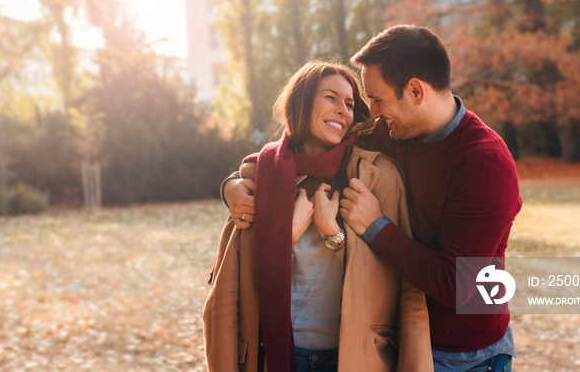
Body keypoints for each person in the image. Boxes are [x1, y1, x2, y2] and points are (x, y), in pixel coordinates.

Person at [223, 25, 523, 372]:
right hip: (399, 339)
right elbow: (302, 153)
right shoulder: (394, 130)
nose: (372, 113)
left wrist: (375, 226)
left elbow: (458, 286)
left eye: (377, 100)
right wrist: (233, 184)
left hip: (465, 354)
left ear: (414, 91)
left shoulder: (485, 162)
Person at [204, 61, 433, 372]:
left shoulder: (378, 177)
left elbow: (408, 290)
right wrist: (285, 239)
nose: (343, 110)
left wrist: (333, 236)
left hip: (354, 359)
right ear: (301, 102)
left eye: (350, 103)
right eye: (330, 98)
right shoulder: (259, 178)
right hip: (276, 355)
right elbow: (226, 293)